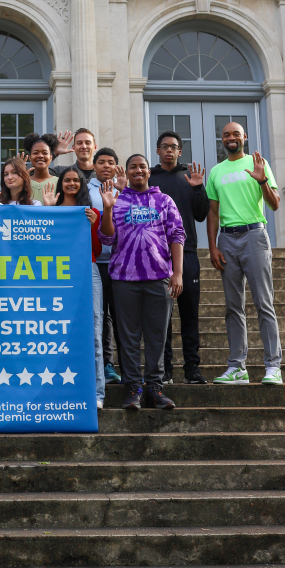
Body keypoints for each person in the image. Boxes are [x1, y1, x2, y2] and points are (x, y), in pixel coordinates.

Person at [99, 154, 185, 412]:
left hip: (159, 278)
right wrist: (107, 209)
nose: (138, 170)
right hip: (124, 280)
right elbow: (106, 238)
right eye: (133, 167)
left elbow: (177, 234)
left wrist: (178, 273)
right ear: (125, 171)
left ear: (149, 172)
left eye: (142, 167)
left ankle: (155, 389)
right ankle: (133, 388)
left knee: (157, 337)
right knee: (128, 337)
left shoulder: (163, 200)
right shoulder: (117, 199)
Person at [207, 122, 282, 385]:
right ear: (222, 139)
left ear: (244, 138)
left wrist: (262, 180)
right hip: (227, 239)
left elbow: (274, 204)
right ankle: (237, 367)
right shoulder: (216, 172)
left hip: (254, 236)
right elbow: (213, 212)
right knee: (232, 306)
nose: (230, 137)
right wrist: (213, 245)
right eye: (226, 134)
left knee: (264, 303)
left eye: (235, 134)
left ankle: (273, 366)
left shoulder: (258, 162)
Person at [149, 131, 210, 385]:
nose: (169, 151)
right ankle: (166, 371)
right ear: (157, 150)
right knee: (161, 317)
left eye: (173, 147)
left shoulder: (189, 177)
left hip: (187, 254)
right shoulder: (150, 178)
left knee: (189, 314)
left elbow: (201, 215)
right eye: (164, 147)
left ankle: (192, 369)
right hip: (156, 255)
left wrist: (198, 189)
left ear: (180, 151)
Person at [44, 168, 104, 408]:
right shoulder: (50, 209)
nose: (71, 183)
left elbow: (97, 250)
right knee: (55, 334)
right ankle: (57, 392)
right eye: (66, 180)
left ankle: (97, 394)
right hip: (55, 274)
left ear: (82, 184)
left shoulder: (92, 213)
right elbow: (43, 245)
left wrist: (93, 225)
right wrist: (47, 213)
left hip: (86, 272)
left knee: (94, 333)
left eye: (75, 180)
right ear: (61, 184)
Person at [88, 148, 127, 384]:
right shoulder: (86, 190)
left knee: (120, 315)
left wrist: (123, 190)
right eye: (101, 162)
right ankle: (107, 364)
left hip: (121, 262)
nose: (106, 166)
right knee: (101, 316)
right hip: (96, 262)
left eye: (110, 162)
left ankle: (128, 367)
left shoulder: (124, 189)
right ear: (93, 166)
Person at [23, 134, 59, 202]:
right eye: (35, 153)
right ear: (30, 158)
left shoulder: (59, 182)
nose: (40, 156)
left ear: (51, 158)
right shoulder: (23, 183)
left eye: (45, 153)